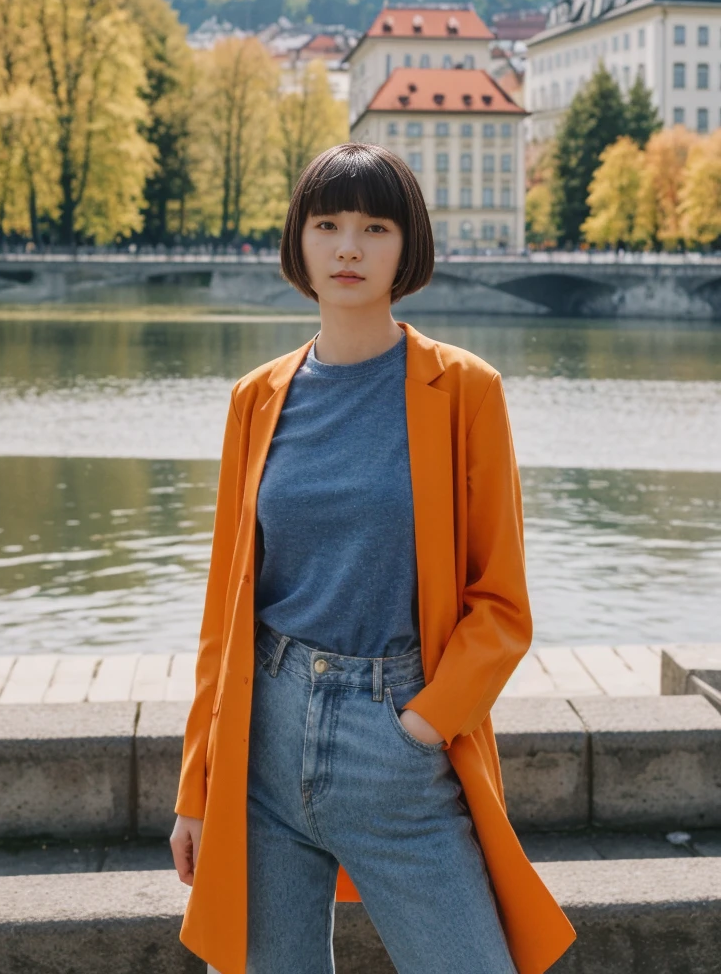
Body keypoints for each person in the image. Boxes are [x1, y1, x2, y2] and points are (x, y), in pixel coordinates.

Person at [170, 142, 577, 974]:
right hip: (263, 742)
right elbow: (226, 608)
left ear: (408, 245)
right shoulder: (256, 398)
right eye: (327, 224)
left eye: (374, 226)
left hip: (393, 734)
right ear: (300, 242)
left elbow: (500, 605)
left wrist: (419, 727)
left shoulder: (466, 391)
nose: (348, 247)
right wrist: (197, 788)